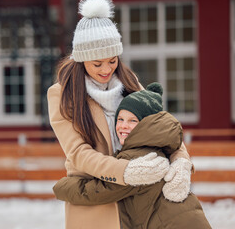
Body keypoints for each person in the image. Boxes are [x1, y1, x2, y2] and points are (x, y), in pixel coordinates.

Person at [47, 0, 193, 229]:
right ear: (82, 60)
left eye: (112, 60)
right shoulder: (61, 94)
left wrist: (181, 162)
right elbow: (78, 153)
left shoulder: (129, 80)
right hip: (97, 204)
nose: (107, 69)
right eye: (97, 64)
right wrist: (126, 171)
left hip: (141, 201)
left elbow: (162, 127)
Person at [53, 83, 211, 229]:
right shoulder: (158, 147)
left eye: (132, 121)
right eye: (120, 119)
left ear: (145, 124)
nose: (123, 126)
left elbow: (99, 191)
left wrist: (62, 188)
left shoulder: (139, 159)